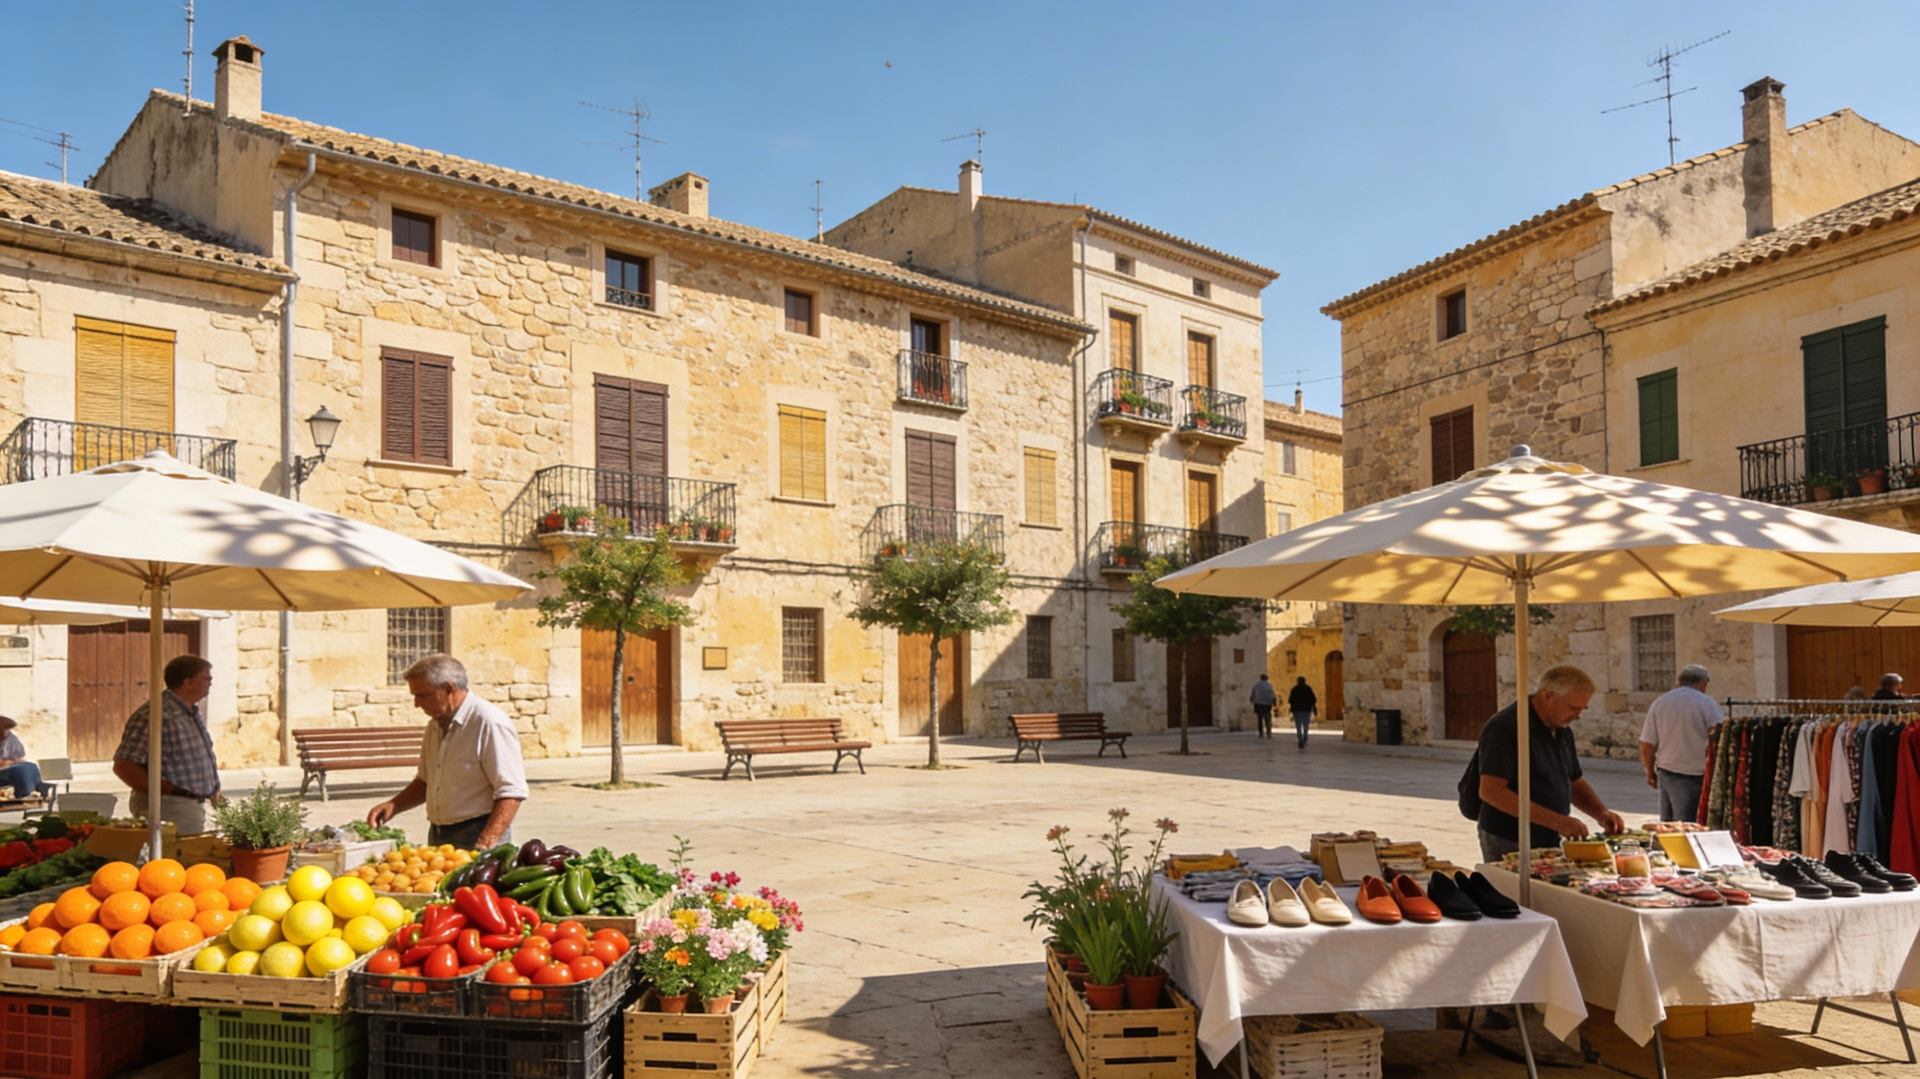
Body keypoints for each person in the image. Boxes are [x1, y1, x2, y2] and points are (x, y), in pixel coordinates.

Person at [367, 654, 528, 850]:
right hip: (439, 833)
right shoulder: (435, 725)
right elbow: (426, 780)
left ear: (449, 689)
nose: (416, 703)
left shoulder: (489, 722)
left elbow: (512, 792)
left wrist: (486, 841)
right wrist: (393, 805)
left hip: (478, 831)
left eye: (422, 695)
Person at [1471, 665, 1625, 863]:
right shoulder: (1505, 727)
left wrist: (1601, 813)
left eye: (1582, 709)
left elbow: (1574, 782)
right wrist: (1557, 821)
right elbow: (1491, 791)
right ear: (1548, 696)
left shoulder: (1562, 729)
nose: (1578, 715)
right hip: (1509, 838)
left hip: (1548, 836)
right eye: (1573, 707)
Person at [112, 655, 222, 833]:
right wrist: (167, 791)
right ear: (188, 682)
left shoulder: (189, 712)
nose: (210, 683)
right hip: (170, 808)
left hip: (190, 806)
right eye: (206, 678)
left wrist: (214, 793)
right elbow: (124, 766)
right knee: (176, 852)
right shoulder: (156, 713)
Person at [1638, 664, 1724, 823]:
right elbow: (1720, 737)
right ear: (1704, 684)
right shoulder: (1708, 704)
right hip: (1695, 774)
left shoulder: (1660, 703)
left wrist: (1650, 771)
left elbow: (1647, 743)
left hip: (1666, 771)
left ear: (1678, 681)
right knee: (1689, 825)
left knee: (1669, 824)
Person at [0, 717, 45, 800]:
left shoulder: (10, 737)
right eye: (6, 730)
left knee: (31, 766)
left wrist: (12, 761)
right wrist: (12, 762)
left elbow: (19, 756)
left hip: (9, 766)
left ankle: (38, 791)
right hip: (5, 769)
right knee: (19, 770)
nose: (8, 732)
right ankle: (23, 795)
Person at [1287, 676, 1318, 750]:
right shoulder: (1308, 688)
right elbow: (1313, 699)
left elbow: (1290, 700)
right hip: (1306, 709)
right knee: (1305, 724)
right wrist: (1313, 707)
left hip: (1297, 710)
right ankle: (1305, 737)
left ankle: (1300, 739)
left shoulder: (1294, 689)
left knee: (1298, 725)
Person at [1249, 674, 1277, 738]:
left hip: (1258, 704)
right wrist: (1274, 702)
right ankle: (1268, 732)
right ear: (1266, 678)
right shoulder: (1269, 685)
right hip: (1267, 704)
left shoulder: (1256, 685)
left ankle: (1261, 733)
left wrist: (1252, 699)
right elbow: (1272, 694)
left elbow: (1253, 694)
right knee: (1267, 718)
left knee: (1260, 719)